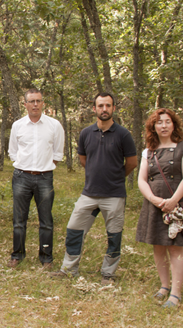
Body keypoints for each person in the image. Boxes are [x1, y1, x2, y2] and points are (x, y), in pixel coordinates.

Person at [49, 93, 137, 284]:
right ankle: (69, 269)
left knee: (114, 235)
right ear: (95, 109)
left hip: (114, 195)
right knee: (74, 229)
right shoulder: (86, 133)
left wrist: (116, 177)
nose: (104, 109)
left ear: (113, 108)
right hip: (89, 194)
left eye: (108, 105)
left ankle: (108, 273)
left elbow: (132, 162)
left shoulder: (123, 134)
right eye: (100, 106)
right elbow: (83, 159)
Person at [136, 108, 183, 308]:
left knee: (176, 248)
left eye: (167, 121)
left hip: (176, 205)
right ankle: (164, 286)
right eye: (159, 122)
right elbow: (142, 180)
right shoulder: (148, 151)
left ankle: (176, 294)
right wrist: (153, 199)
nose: (163, 125)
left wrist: (173, 200)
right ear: (153, 126)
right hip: (155, 204)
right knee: (158, 246)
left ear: (174, 124)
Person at [8, 89, 64, 269]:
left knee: (46, 221)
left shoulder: (54, 125)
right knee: (19, 220)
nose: (35, 105)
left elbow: (57, 153)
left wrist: (43, 167)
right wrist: (25, 166)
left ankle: (46, 258)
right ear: (25, 104)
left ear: (43, 103)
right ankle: (17, 255)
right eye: (31, 101)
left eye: (38, 101)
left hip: (44, 178)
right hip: (21, 177)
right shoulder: (18, 125)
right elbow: (13, 151)